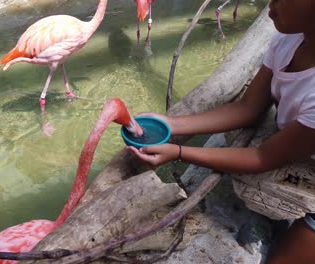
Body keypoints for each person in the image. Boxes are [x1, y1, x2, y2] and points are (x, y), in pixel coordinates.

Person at [127, 0, 315, 263]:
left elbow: (262, 158)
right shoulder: (288, 41)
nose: (270, 4)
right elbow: (249, 107)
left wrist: (179, 152)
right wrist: (171, 124)